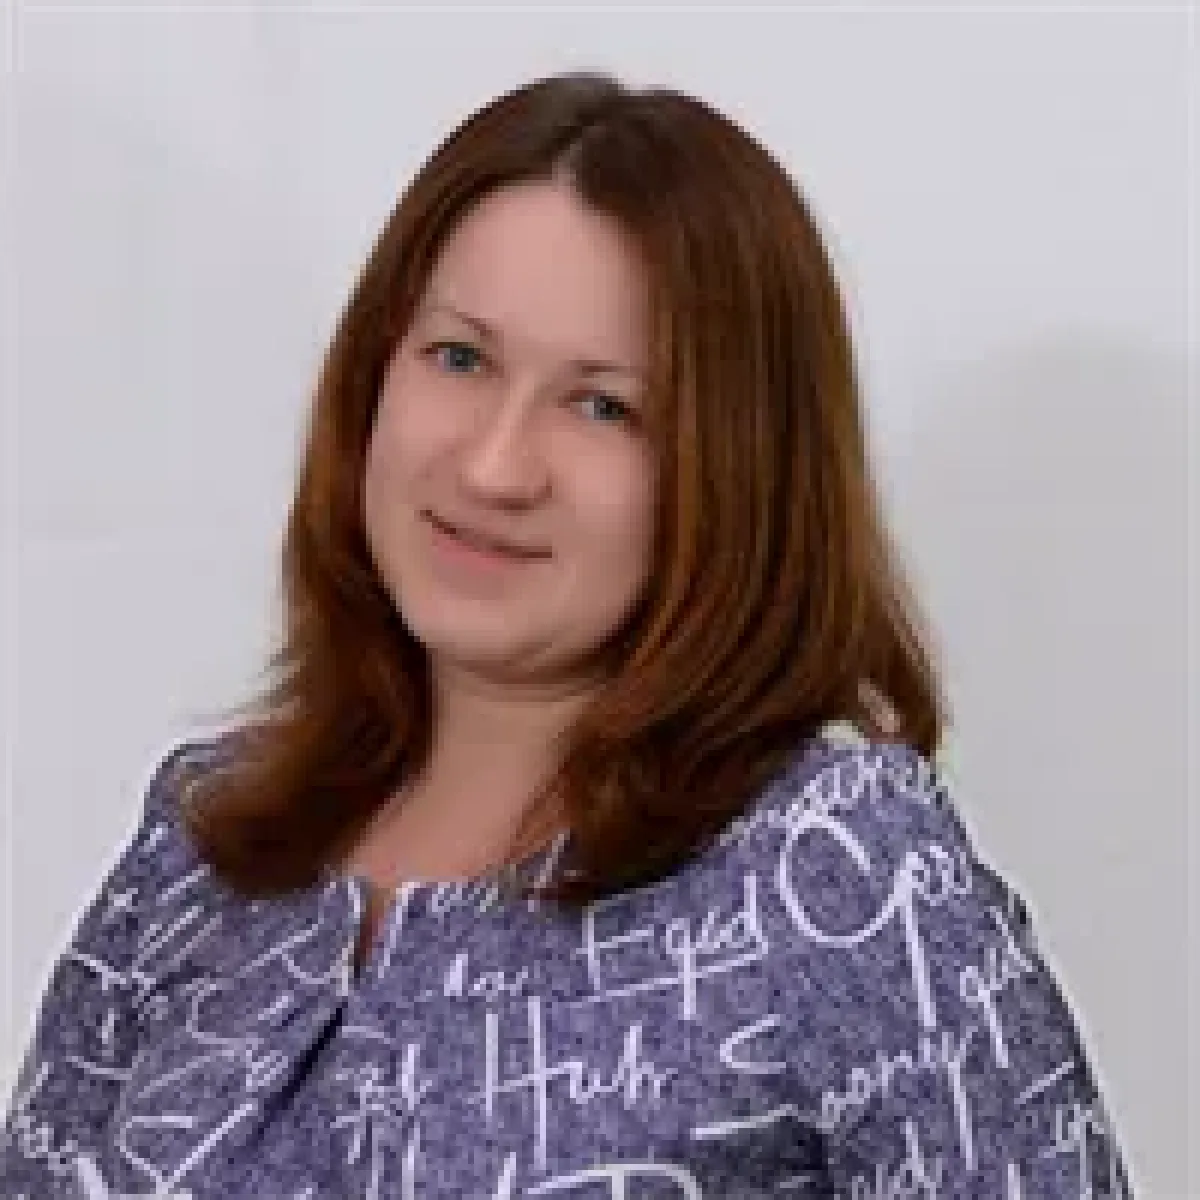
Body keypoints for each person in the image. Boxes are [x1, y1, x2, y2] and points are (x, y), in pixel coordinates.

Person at [1, 71, 1133, 1197]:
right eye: (460, 358)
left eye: (603, 406)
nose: (495, 467)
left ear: (736, 471)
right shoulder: (201, 843)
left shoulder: (840, 874)